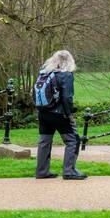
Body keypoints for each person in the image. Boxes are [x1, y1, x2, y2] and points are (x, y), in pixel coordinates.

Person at [34, 50, 86, 180]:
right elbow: (67, 97)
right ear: (69, 61)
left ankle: (41, 171)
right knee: (73, 140)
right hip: (59, 114)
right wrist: (69, 114)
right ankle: (69, 171)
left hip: (43, 113)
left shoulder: (44, 73)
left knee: (44, 141)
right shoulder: (66, 75)